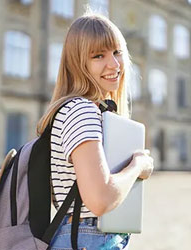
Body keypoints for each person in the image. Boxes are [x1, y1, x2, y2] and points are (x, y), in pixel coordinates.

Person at [36, 12, 154, 250]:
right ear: (78, 63)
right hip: (87, 237)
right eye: (98, 55)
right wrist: (138, 166)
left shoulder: (82, 110)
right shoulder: (81, 110)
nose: (114, 64)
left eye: (117, 52)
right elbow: (100, 199)